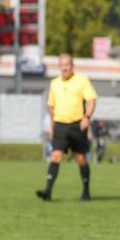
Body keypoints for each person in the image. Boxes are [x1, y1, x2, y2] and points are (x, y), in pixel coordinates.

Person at [37, 54, 97, 202]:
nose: (64, 68)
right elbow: (51, 106)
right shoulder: (54, 83)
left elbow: (91, 100)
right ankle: (48, 191)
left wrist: (87, 117)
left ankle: (86, 192)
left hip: (77, 125)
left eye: (67, 65)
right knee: (55, 156)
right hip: (60, 126)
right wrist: (52, 125)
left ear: (72, 66)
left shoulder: (82, 81)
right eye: (62, 65)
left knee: (81, 158)